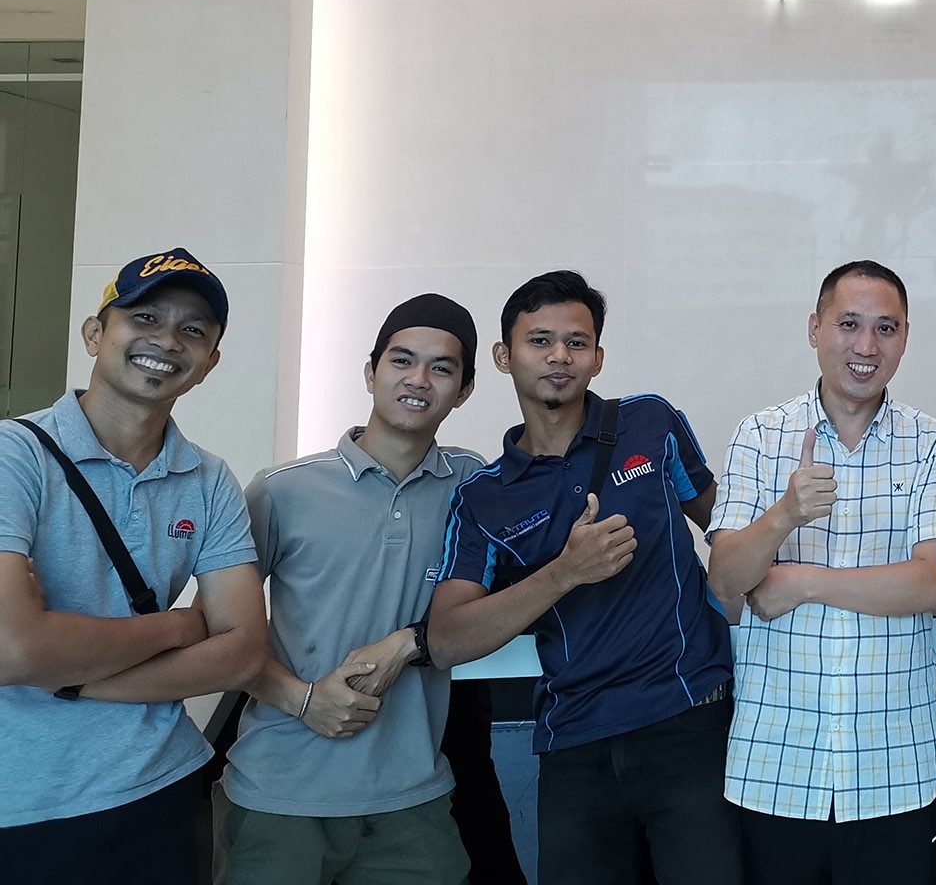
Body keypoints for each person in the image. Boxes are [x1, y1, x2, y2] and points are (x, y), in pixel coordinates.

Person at [426, 271, 741, 885]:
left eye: (576, 342)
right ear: (504, 356)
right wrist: (565, 573)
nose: (559, 356)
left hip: (690, 719)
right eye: (540, 340)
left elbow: (727, 531)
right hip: (574, 739)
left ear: (597, 358)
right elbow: (446, 639)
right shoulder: (483, 496)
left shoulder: (650, 423)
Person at [0, 249, 267, 884]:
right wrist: (180, 627)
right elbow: (14, 649)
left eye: (193, 329)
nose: (168, 341)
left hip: (165, 788)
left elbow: (243, 654)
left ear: (210, 362)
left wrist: (70, 677)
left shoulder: (209, 478)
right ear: (95, 333)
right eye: (145, 318)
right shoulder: (14, 455)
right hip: (28, 802)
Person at [216, 293, 489, 884]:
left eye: (441, 368)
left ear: (464, 390)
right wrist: (302, 699)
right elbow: (217, 631)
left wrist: (410, 641)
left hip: (413, 798)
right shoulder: (282, 491)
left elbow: (516, 595)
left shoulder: (475, 486)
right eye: (401, 360)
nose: (418, 379)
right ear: (370, 373)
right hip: (280, 793)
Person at [705, 260, 936, 885]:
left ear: (905, 337)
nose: (866, 346)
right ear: (815, 328)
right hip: (776, 767)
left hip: (896, 770)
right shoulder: (759, 435)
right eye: (849, 324)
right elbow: (726, 579)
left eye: (886, 328)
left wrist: (802, 582)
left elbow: (933, 584)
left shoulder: (931, 443)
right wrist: (785, 515)